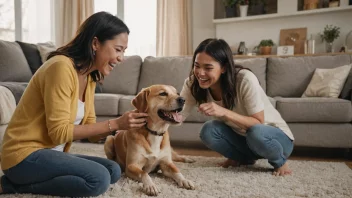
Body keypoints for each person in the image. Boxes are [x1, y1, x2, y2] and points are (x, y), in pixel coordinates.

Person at [0, 12, 148, 197]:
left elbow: (90, 131)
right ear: (95, 44)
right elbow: (59, 132)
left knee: (113, 169)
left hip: (51, 154)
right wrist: (116, 123)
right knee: (99, 179)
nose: (121, 58)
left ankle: (29, 180)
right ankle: (12, 185)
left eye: (123, 51)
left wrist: (122, 129)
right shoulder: (61, 67)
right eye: (118, 49)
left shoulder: (90, 77)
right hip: (23, 156)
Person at [180, 38, 294, 176]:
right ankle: (243, 158)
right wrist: (150, 118)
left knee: (255, 132)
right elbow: (178, 115)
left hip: (276, 139)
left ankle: (280, 161)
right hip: (246, 141)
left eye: (208, 68)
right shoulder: (193, 83)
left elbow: (258, 122)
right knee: (208, 130)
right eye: (197, 66)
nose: (200, 73)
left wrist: (223, 112)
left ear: (224, 67)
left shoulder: (245, 79)